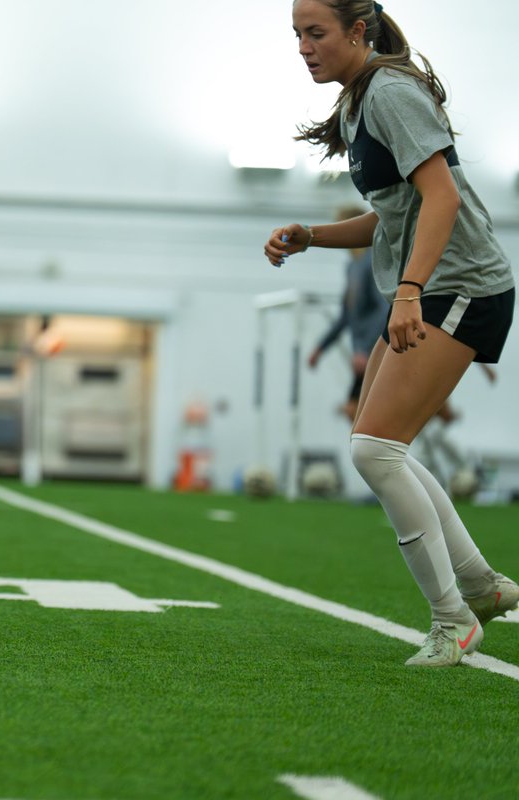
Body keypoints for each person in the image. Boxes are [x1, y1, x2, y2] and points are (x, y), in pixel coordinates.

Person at [266, 0, 517, 667]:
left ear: (358, 30)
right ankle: (482, 586)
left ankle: (454, 619)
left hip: (462, 285)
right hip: (433, 286)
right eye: (296, 35)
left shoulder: (390, 92)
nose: (303, 47)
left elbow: (444, 198)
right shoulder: (357, 100)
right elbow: (392, 214)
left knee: (375, 450)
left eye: (315, 33)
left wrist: (408, 291)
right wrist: (312, 236)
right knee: (380, 446)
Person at [307, 204, 388, 422]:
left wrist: (367, 349)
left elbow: (385, 309)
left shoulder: (373, 261)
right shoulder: (352, 267)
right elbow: (345, 315)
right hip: (362, 353)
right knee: (356, 412)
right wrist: (320, 348)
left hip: (375, 351)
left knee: (360, 413)